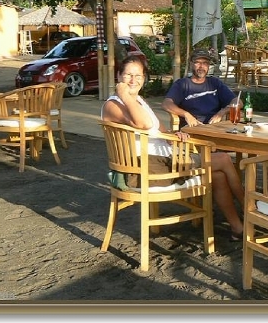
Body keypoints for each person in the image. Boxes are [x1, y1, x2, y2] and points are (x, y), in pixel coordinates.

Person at [101, 55, 245, 241]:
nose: (133, 80)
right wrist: (124, 94)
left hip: (159, 161)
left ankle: (238, 228)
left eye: (138, 76)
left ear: (144, 79)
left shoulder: (138, 102)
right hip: (144, 170)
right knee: (223, 159)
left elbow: (159, 129)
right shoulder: (114, 103)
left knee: (217, 174)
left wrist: (173, 135)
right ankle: (249, 208)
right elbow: (143, 124)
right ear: (119, 76)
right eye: (128, 75)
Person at [162, 48, 241, 128]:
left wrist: (222, 112)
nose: (201, 66)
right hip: (191, 129)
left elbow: (238, 102)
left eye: (205, 63)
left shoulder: (215, 83)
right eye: (197, 62)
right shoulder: (182, 84)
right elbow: (166, 104)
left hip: (213, 128)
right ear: (191, 64)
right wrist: (186, 115)